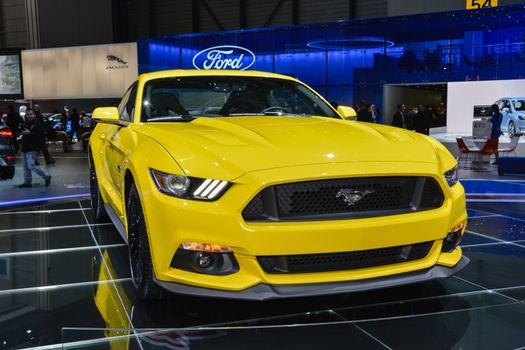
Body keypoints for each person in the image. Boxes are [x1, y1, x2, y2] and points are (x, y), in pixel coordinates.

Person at [18, 108, 51, 188]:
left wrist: (30, 133)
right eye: (28, 114)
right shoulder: (24, 124)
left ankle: (46, 176)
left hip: (33, 148)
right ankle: (27, 182)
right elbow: (22, 133)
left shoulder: (38, 124)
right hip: (24, 147)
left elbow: (40, 136)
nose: (29, 115)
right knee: (25, 167)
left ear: (35, 115)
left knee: (31, 166)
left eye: (31, 114)